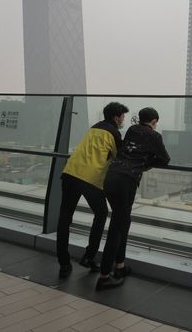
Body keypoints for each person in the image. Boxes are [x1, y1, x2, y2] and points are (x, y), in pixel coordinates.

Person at [96, 107, 170, 290]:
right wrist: (147, 163)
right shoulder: (155, 136)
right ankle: (104, 276)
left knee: (123, 222)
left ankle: (120, 266)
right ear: (154, 122)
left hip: (111, 177)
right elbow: (165, 159)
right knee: (116, 227)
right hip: (126, 181)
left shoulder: (131, 130)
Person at [56, 101, 128, 278]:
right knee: (102, 213)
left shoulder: (93, 129)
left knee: (65, 218)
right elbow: (121, 157)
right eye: (122, 117)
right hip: (89, 178)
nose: (123, 120)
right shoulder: (114, 133)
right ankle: (89, 256)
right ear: (116, 118)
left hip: (70, 173)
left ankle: (64, 263)